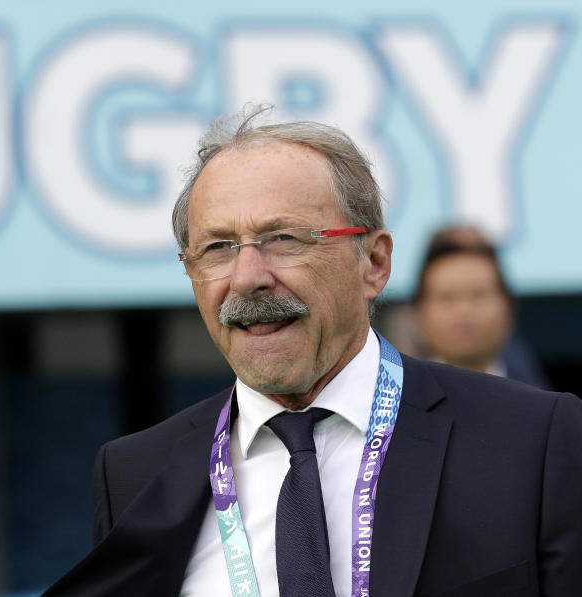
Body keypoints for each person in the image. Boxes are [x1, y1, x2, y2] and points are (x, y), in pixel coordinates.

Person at [44, 106, 582, 596]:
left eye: (284, 239)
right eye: (217, 248)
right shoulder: (133, 475)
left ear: (373, 263)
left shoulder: (534, 441)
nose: (248, 278)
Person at [414, 225, 551, 388]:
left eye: (479, 295)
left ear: (508, 306)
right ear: (420, 312)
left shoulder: (542, 402)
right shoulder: (399, 400)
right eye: (447, 297)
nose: (464, 311)